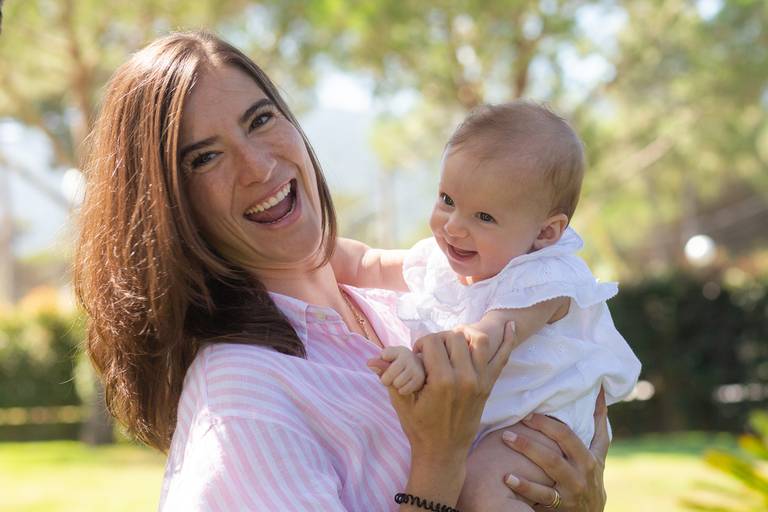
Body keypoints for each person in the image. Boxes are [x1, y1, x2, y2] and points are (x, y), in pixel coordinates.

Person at [73, 31, 610, 511]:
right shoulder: (241, 399)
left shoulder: (396, 308)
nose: (258, 166)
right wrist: (439, 460)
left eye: (260, 120)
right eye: (205, 158)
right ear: (171, 206)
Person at [333, 102, 641, 509]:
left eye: (484, 216)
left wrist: (418, 362)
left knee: (482, 486)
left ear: (545, 232)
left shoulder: (545, 278)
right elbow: (364, 263)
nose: (454, 226)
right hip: (486, 419)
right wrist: (307, 251)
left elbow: (482, 342)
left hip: (536, 425)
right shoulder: (441, 259)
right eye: (447, 199)